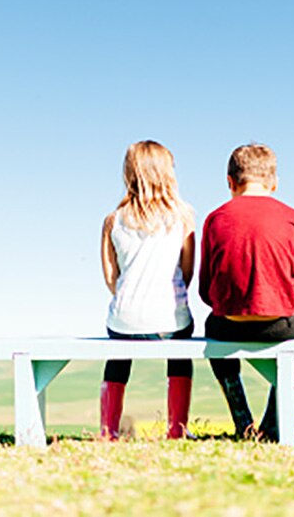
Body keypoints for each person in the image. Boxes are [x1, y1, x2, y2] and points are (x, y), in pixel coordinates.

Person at [199, 143, 294, 441]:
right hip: (278, 325)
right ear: (274, 183)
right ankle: (272, 421)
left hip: (227, 325)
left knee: (210, 324)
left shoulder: (215, 219)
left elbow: (205, 289)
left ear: (230, 182)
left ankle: (243, 421)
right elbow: (291, 284)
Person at [99, 140, 196, 439]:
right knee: (181, 354)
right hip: (171, 320)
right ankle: (177, 430)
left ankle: (108, 431)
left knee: (117, 359)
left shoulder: (113, 220)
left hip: (123, 320)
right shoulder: (183, 216)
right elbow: (188, 271)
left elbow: (110, 278)